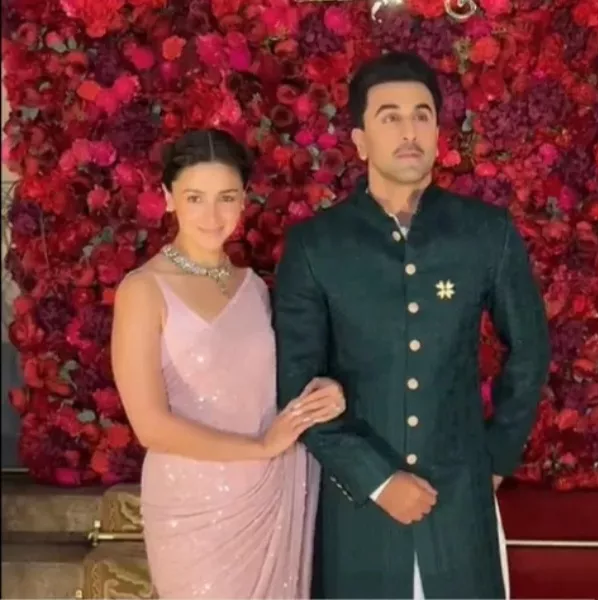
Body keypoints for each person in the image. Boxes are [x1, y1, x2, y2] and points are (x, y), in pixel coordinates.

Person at [273, 51, 551, 599]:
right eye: (390, 117)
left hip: (460, 496)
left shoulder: (484, 231)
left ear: (438, 132)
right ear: (360, 141)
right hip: (360, 507)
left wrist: (495, 458)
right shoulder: (316, 245)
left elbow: (530, 348)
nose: (409, 131)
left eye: (422, 115)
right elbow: (297, 387)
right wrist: (376, 480)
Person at [111, 129, 346, 598]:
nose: (212, 215)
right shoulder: (143, 290)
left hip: (272, 485)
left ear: (244, 199)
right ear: (168, 198)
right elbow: (150, 427)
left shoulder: (254, 287)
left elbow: (268, 385)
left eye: (226, 197)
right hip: (193, 506)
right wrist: (259, 447)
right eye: (195, 198)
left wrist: (325, 390)